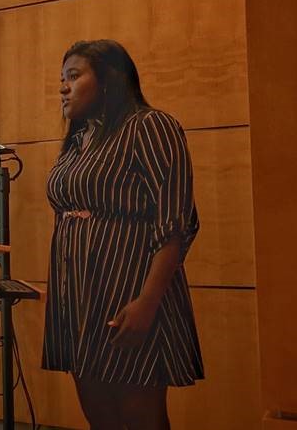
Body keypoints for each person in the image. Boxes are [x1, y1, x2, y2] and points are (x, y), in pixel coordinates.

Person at [42, 40, 203, 429]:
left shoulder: (150, 126)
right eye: (61, 79)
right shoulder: (78, 143)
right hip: (78, 300)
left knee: (139, 419)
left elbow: (176, 222)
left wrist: (147, 303)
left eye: (74, 76)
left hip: (129, 292)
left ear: (110, 80)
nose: (63, 87)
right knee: (101, 419)